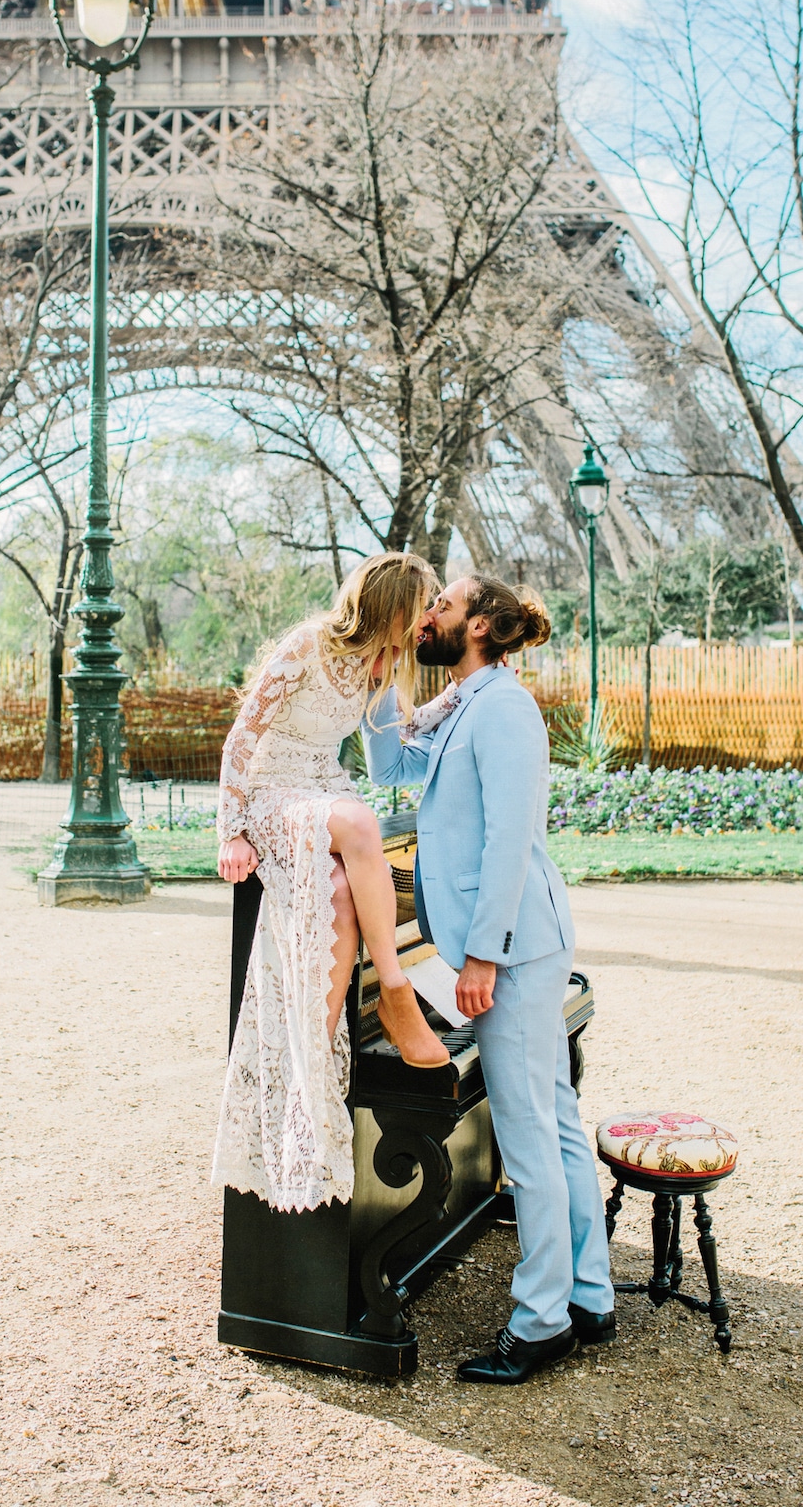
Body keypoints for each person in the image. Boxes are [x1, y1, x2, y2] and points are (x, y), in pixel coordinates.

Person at [362, 574, 616, 1381]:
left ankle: (542, 1321)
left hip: (513, 949)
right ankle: (589, 1294)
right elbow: (391, 765)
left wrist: (481, 957)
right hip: (516, 944)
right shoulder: (461, 703)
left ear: (477, 623)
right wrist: (382, 671)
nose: (426, 615)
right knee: (557, 1118)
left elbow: (512, 837)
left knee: (530, 1130)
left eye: (439, 606)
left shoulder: (503, 710)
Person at [212, 552, 450, 1215]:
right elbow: (242, 736)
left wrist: (468, 704)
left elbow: (401, 743)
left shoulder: (383, 668)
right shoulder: (306, 646)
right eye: (421, 606)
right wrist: (230, 830)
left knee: (344, 890)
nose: (428, 619)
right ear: (390, 606)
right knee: (359, 823)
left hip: (323, 793)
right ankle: (396, 989)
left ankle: (311, 1068)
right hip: (272, 795)